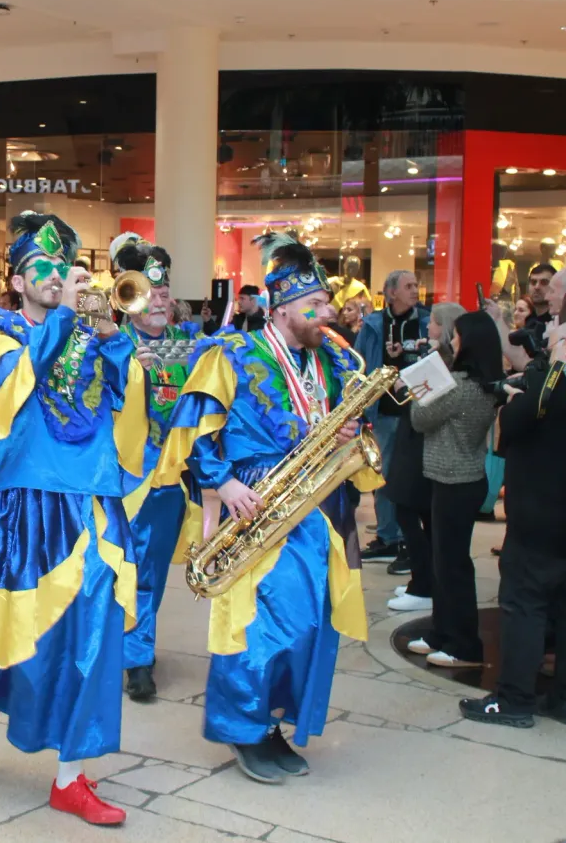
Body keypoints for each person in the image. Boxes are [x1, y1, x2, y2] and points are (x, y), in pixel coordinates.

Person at [0, 212, 145, 826]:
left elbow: (124, 393)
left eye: (63, 270)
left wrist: (111, 333)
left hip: (90, 497)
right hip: (23, 502)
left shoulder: (84, 328)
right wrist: (64, 317)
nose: (57, 278)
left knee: (94, 629)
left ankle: (71, 777)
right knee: (11, 631)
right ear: (16, 281)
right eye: (42, 270)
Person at [173, 232, 370, 785]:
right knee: (257, 625)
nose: (326, 315)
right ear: (282, 310)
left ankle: (270, 725)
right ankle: (242, 728)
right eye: (315, 307)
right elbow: (191, 428)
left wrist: (345, 432)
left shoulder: (327, 357)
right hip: (255, 504)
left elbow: (322, 419)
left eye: (325, 305)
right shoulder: (229, 353)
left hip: (310, 502)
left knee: (309, 623)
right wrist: (224, 482)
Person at [461, 320, 566, 728]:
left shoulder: (560, 377)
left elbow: (511, 431)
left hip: (543, 517)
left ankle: (514, 700)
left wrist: (511, 401)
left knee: (525, 607)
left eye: (549, 346)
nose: (545, 355)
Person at [111, 234, 202, 700]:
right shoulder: (111, 347)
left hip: (168, 484)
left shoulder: (187, 346)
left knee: (149, 577)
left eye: (166, 292)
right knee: (117, 572)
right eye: (152, 293)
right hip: (121, 483)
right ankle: (128, 652)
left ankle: (138, 655)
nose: (162, 300)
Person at [405, 311, 503, 669]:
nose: (452, 342)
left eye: (457, 337)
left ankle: (463, 643)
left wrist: (421, 386)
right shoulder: (485, 383)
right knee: (444, 562)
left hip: (455, 482)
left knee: (452, 566)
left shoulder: (461, 387)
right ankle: (442, 632)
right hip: (459, 479)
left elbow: (420, 418)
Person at [386, 302, 466, 611]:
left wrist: (410, 377)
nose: (427, 326)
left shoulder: (442, 361)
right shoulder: (435, 356)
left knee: (411, 513)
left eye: (432, 322)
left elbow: (408, 391)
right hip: (414, 441)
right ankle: (424, 580)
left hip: (422, 446)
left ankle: (423, 584)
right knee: (417, 516)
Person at [354, 270, 428, 564]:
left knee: (413, 477)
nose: (415, 290)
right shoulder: (373, 325)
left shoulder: (425, 322)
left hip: (419, 412)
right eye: (409, 286)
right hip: (383, 412)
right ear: (391, 292)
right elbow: (360, 364)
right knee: (382, 476)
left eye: (416, 284)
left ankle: (410, 539)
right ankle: (388, 536)